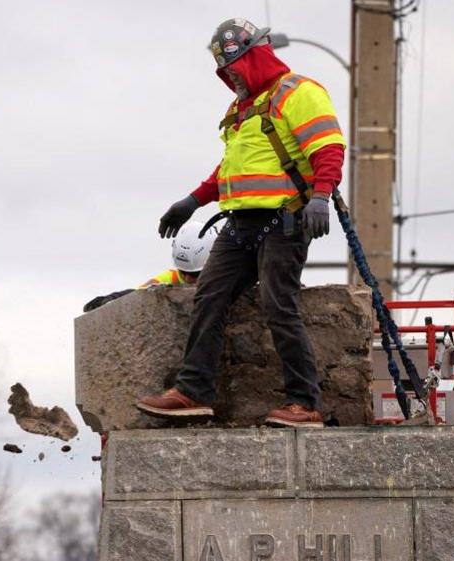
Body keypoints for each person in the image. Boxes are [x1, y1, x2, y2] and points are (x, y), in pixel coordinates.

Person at [135, 18, 347, 428]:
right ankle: (193, 392)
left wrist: (320, 195)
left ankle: (305, 403)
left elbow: (328, 147)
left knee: (277, 303)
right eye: (224, 72)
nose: (229, 77)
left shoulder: (298, 93)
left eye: (232, 67)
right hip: (240, 222)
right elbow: (231, 169)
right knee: (209, 295)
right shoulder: (241, 109)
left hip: (285, 218)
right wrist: (192, 201)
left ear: (252, 55)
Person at [82, 221, 215, 313]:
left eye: (194, 274)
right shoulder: (173, 277)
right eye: (183, 271)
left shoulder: (223, 276)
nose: (187, 278)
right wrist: (115, 297)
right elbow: (142, 292)